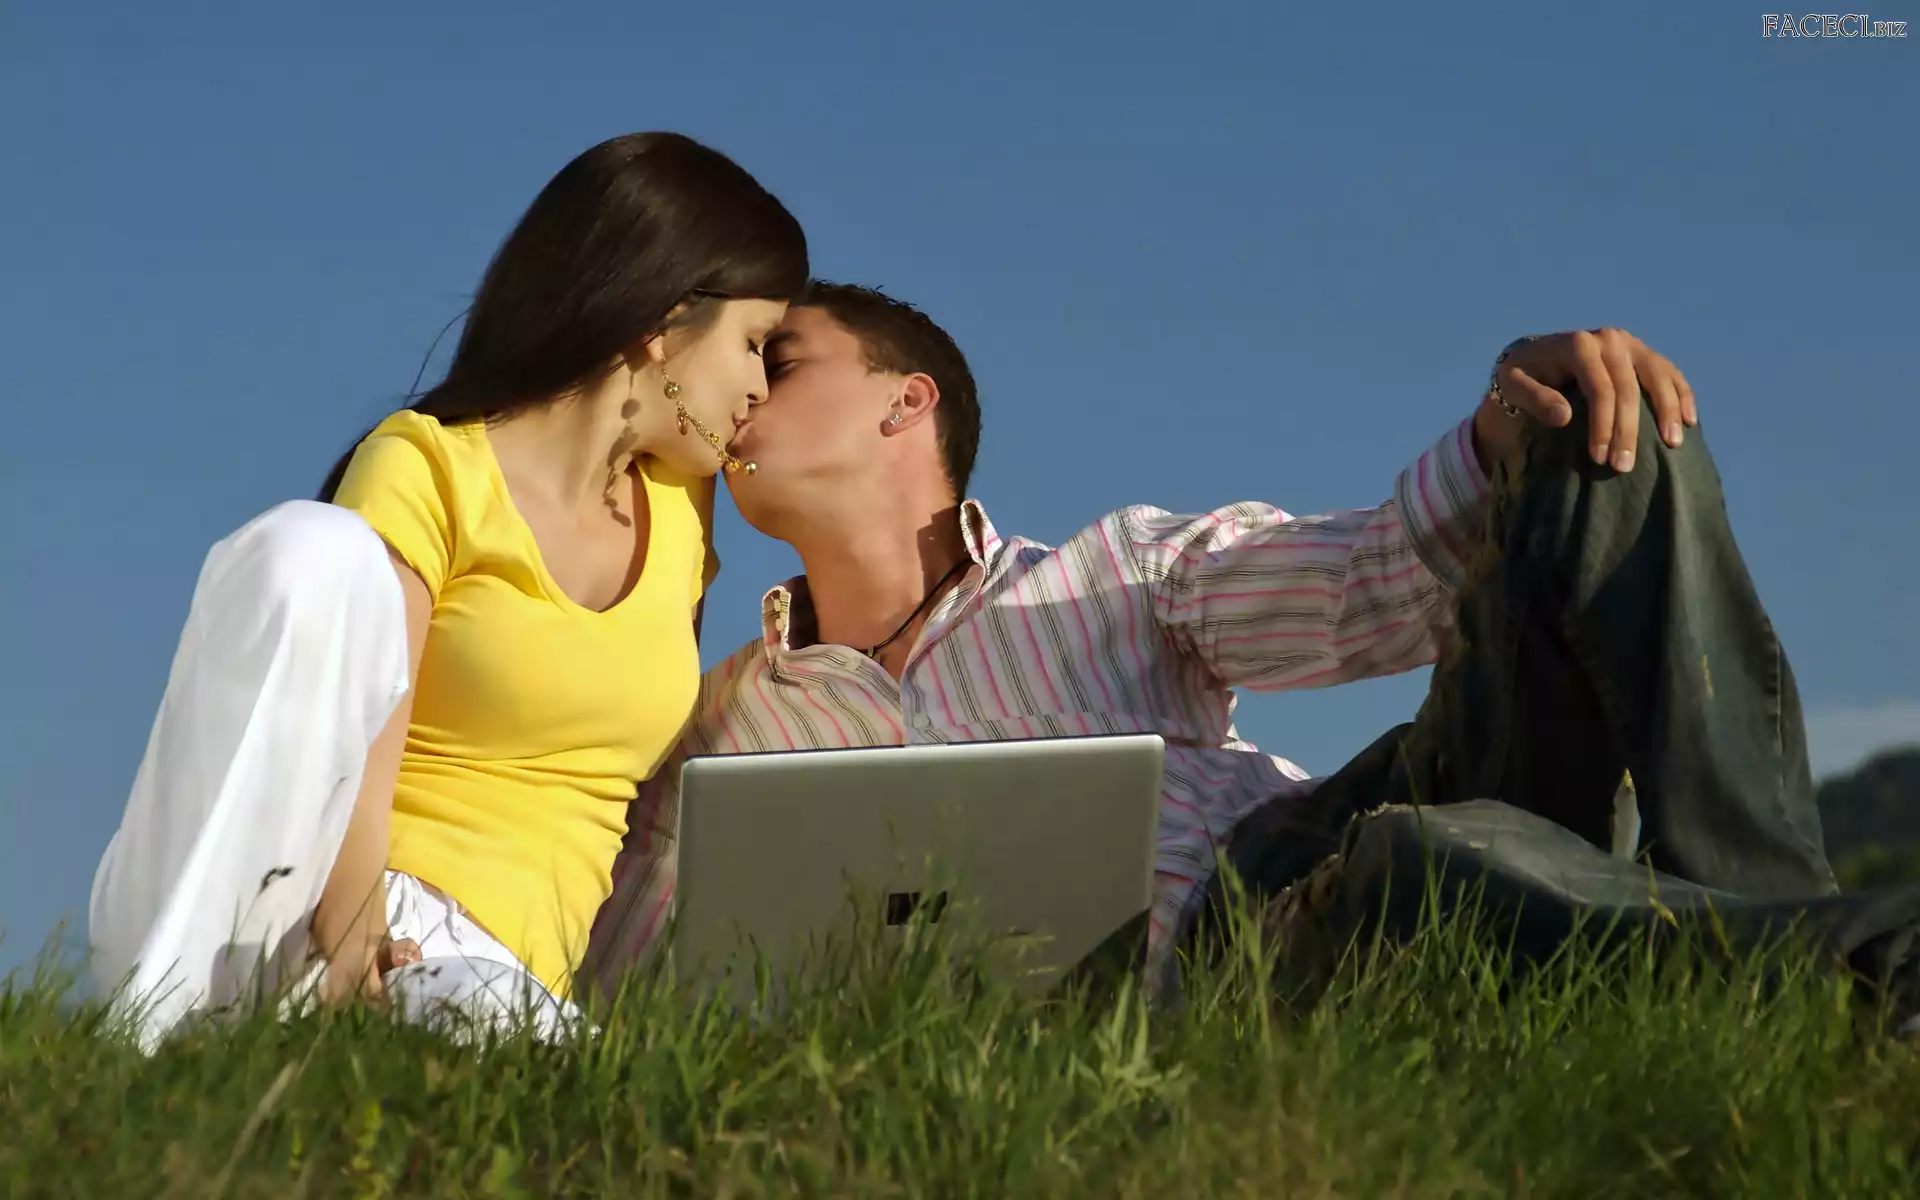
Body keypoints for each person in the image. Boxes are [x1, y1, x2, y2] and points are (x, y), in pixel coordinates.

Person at [584, 281, 1918, 1015]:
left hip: (1299, 839)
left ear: (904, 403)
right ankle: (1857, 963)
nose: (742, 392)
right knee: (1424, 859)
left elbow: (1379, 583)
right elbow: (626, 993)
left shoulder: (1120, 573)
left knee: (1592, 429)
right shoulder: (723, 729)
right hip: (1257, 956)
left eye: (779, 359)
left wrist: (1507, 418)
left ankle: (1777, 917)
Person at [88, 132, 808, 1050]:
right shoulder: (426, 465)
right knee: (313, 548)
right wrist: (354, 929)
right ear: (663, 323)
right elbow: (355, 734)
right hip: (332, 917)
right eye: (753, 344)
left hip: (507, 976)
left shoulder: (680, 512)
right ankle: (168, 1027)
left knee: (575, 1072)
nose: (759, 388)